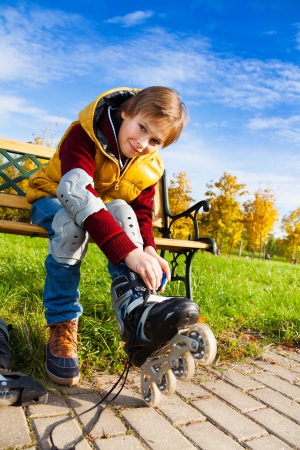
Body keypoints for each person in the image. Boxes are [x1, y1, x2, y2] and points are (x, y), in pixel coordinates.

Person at [26, 86, 200, 385]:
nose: (143, 143)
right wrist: (128, 253)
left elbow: (142, 213)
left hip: (100, 210)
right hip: (52, 199)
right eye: (141, 127)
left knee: (120, 207)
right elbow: (76, 193)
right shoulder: (84, 133)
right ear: (126, 113)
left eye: (155, 140)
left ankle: (136, 311)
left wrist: (147, 248)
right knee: (71, 224)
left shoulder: (150, 165)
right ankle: (62, 325)